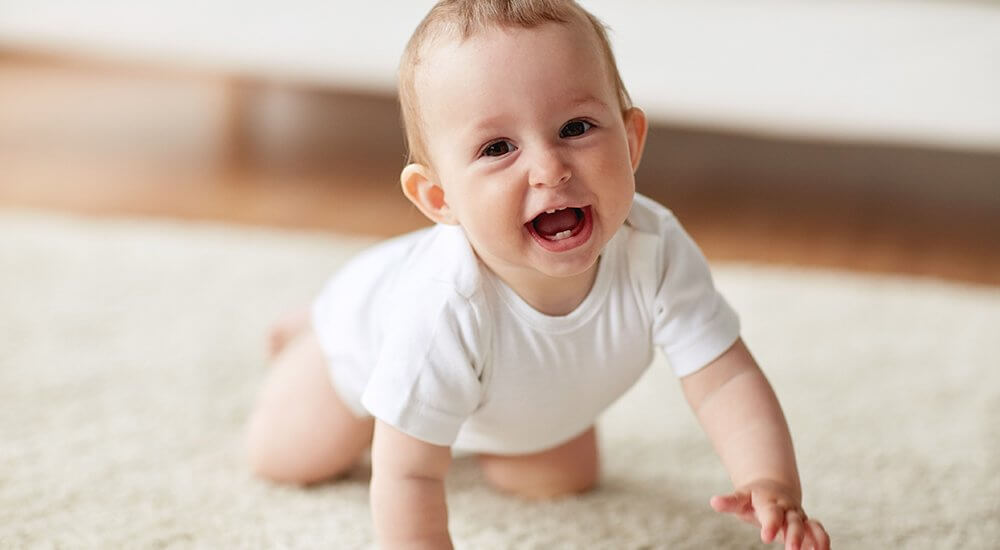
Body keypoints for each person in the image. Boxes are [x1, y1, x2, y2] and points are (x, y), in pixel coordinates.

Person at [246, 1, 830, 549]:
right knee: (288, 457)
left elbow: (724, 379)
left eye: (576, 128)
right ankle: (306, 336)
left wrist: (769, 479)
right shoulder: (443, 306)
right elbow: (409, 475)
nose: (550, 169)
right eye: (498, 147)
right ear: (438, 197)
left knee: (563, 476)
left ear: (630, 141)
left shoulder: (654, 250)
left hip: (515, 403)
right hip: (357, 352)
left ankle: (450, 411)